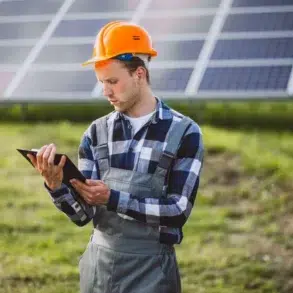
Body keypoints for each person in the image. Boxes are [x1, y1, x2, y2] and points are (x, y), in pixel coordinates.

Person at [27, 21, 204, 293]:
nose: (105, 91)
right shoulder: (96, 134)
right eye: (101, 82)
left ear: (139, 74)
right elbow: (82, 216)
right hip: (99, 269)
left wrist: (113, 198)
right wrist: (56, 186)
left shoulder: (184, 132)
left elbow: (177, 211)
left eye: (112, 81)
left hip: (152, 273)